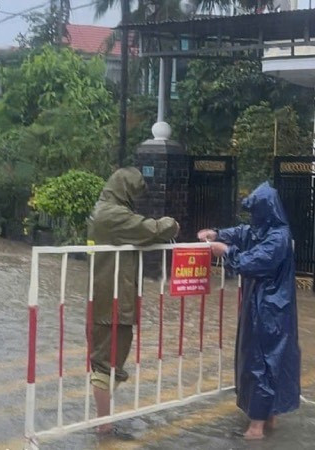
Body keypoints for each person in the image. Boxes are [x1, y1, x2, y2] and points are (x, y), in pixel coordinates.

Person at [197, 181, 301, 440]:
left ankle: (256, 429)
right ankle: (268, 419)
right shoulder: (264, 230)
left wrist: (225, 252)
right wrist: (217, 233)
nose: (252, 219)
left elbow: (253, 261)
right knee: (265, 362)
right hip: (265, 306)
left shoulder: (278, 237)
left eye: (256, 212)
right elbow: (242, 232)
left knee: (262, 363)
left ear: (265, 211)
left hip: (270, 311)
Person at [87, 167, 180, 437]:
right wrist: (171, 224)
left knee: (113, 360)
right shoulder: (113, 215)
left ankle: (102, 417)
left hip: (113, 296)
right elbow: (149, 230)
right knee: (106, 362)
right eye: (135, 193)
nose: (136, 200)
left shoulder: (105, 209)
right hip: (111, 299)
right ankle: (102, 423)